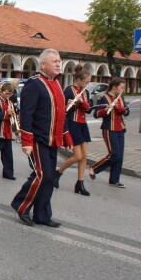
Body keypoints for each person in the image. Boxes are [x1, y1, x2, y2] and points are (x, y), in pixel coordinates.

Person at [11, 48, 73, 228]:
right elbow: (27, 115)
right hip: (38, 139)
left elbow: (61, 114)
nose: (58, 63)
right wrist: (27, 142)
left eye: (59, 60)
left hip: (53, 139)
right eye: (54, 61)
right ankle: (21, 205)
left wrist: (66, 136)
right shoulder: (34, 84)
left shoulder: (57, 84)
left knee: (49, 176)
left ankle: (42, 214)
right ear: (43, 65)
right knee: (43, 175)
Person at [55, 65, 92, 196]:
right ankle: (58, 172)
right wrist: (71, 105)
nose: (87, 84)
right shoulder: (69, 90)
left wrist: (82, 103)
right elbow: (63, 110)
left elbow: (89, 108)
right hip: (73, 124)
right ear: (78, 79)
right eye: (86, 82)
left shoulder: (85, 92)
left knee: (85, 156)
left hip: (83, 124)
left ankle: (80, 183)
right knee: (78, 156)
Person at [89, 77, 129, 188]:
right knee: (114, 154)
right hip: (109, 128)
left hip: (120, 128)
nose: (122, 90)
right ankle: (94, 168)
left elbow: (126, 111)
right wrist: (106, 109)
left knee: (120, 156)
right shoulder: (104, 98)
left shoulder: (120, 97)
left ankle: (114, 180)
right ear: (114, 87)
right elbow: (96, 114)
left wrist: (119, 108)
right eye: (121, 88)